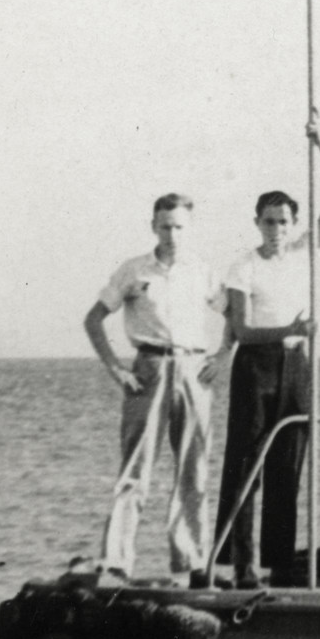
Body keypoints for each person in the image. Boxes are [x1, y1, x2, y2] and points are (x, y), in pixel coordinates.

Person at [216, 125, 320, 589]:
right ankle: (242, 565)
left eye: (283, 221)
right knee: (246, 466)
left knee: (287, 467)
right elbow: (244, 329)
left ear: (293, 225)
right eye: (268, 221)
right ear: (257, 224)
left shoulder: (302, 254)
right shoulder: (242, 265)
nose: (276, 230)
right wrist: (290, 328)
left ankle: (280, 565)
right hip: (256, 365)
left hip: (297, 368)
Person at [82, 193, 225, 588]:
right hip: (149, 367)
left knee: (193, 470)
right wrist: (116, 369)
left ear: (188, 228)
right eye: (165, 226)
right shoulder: (134, 270)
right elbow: (93, 319)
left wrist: (223, 354)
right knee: (135, 469)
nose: (172, 234)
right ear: (153, 226)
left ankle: (191, 563)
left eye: (179, 226)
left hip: (194, 370)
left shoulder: (202, 271)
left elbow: (235, 313)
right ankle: (115, 563)